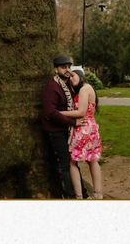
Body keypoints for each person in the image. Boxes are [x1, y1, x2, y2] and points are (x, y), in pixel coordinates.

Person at [41, 54, 88, 199]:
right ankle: (70, 195)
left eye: (69, 67)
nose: (67, 70)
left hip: (67, 130)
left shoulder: (69, 84)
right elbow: (50, 113)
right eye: (63, 67)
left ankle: (82, 193)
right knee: (65, 165)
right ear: (56, 70)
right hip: (56, 131)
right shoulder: (52, 87)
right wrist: (72, 122)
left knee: (73, 163)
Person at [60, 69, 103, 199]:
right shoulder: (87, 89)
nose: (71, 79)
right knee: (92, 160)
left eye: (73, 75)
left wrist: (59, 113)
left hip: (83, 128)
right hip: (90, 127)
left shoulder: (84, 89)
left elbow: (81, 112)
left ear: (80, 75)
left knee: (73, 161)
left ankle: (79, 196)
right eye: (69, 78)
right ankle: (98, 194)